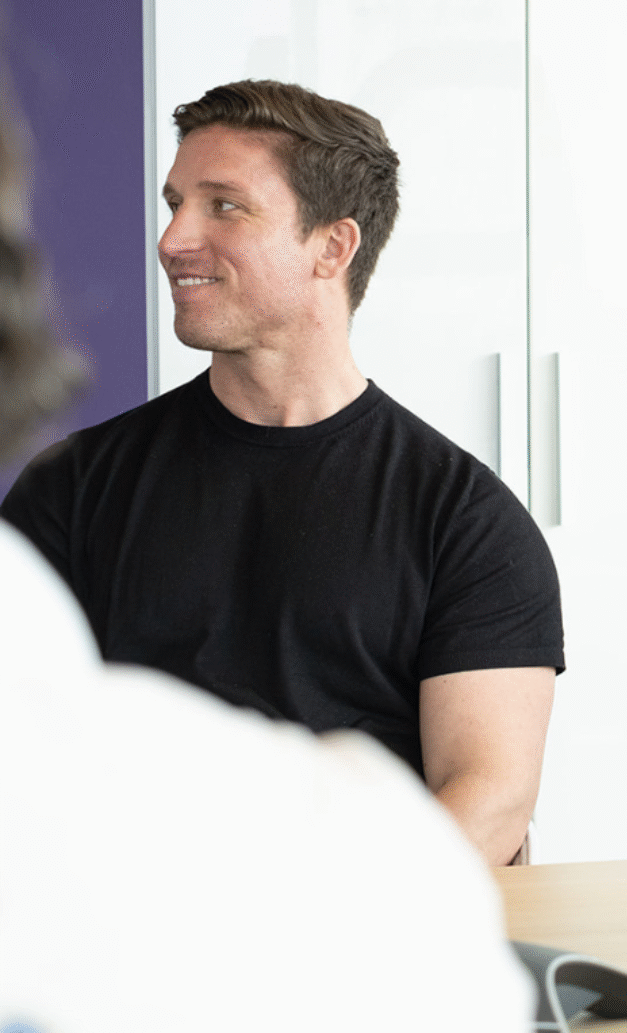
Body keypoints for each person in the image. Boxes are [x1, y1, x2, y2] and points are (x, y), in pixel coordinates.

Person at [0, 63, 532, 1028]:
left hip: (359, 972)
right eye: (174, 204)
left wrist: (307, 949)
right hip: (116, 966)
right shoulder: (71, 489)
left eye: (224, 208)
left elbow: (491, 797)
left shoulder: (463, 515)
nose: (173, 240)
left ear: (333, 246)